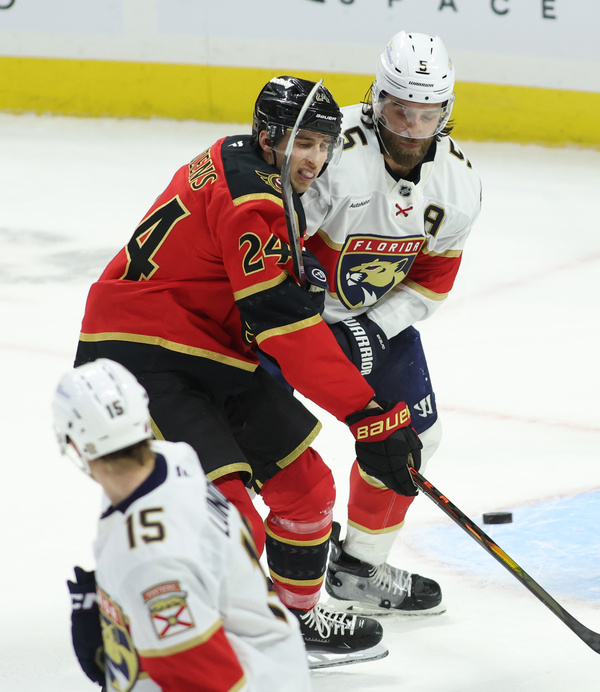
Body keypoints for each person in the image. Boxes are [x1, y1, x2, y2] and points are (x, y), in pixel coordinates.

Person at [72, 76, 421, 663]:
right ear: (268, 135)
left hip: (211, 349)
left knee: (308, 491)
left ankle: (294, 624)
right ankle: (210, 641)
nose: (313, 159)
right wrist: (368, 413)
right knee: (229, 518)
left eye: (322, 145)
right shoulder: (253, 200)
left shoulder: (242, 160)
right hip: (142, 353)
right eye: (301, 143)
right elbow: (284, 326)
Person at [294, 31, 482, 615]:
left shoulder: (459, 185)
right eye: (397, 109)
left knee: (415, 440)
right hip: (286, 318)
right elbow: (277, 255)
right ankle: (276, 568)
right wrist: (313, 327)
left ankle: (358, 569)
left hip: (370, 321)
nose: (407, 127)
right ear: (375, 100)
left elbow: (431, 278)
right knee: (265, 445)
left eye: (425, 116)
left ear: (445, 114)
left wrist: (375, 329)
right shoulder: (331, 153)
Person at [55, 359, 334, 690]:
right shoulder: (174, 460)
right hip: (268, 656)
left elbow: (207, 681)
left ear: (74, 445)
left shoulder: (150, 561)